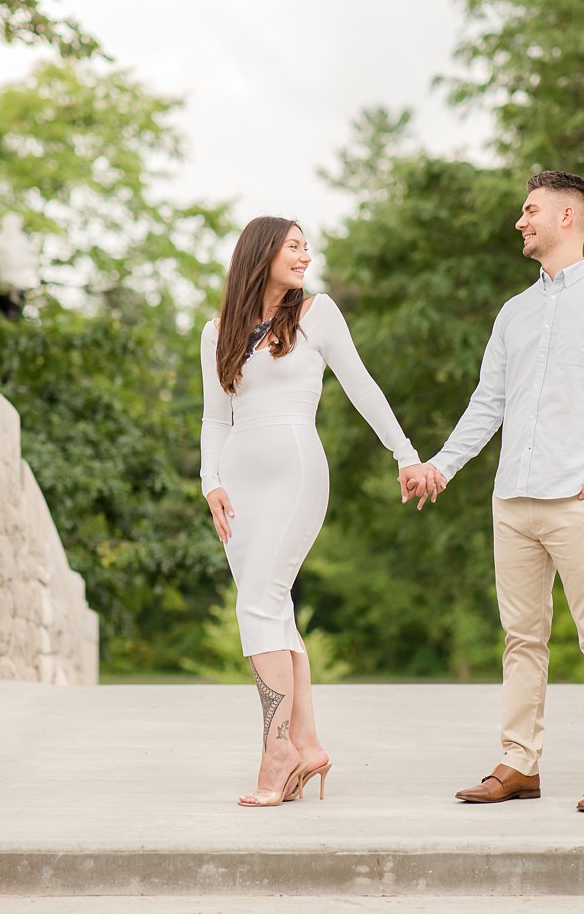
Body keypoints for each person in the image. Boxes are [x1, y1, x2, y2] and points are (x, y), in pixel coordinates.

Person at [407, 170, 584, 813]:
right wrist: (442, 465)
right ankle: (519, 763)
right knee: (521, 640)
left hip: (580, 500)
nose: (520, 222)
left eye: (530, 211)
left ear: (568, 217)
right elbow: (487, 404)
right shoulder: (512, 313)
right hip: (512, 501)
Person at [201, 215, 432, 807]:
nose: (305, 256)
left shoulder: (317, 315)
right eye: (293, 247)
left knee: (256, 603)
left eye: (307, 247)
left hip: (296, 470)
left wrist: (405, 455)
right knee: (273, 609)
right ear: (261, 254)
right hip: (237, 481)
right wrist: (210, 482)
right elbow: (214, 416)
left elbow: (362, 386)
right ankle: (306, 745)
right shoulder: (216, 332)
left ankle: (276, 751)